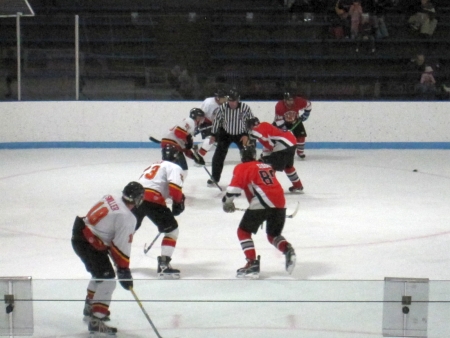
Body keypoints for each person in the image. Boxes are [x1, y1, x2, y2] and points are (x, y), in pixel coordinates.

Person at [71, 181, 144, 335]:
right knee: (108, 279)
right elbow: (121, 246)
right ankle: (97, 319)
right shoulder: (127, 218)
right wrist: (124, 269)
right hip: (89, 242)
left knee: (99, 274)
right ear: (137, 199)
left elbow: (107, 230)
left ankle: (90, 305)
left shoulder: (111, 197)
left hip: (79, 233)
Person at [221, 145, 296, 279]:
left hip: (262, 201)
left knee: (243, 232)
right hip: (280, 202)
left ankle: (252, 263)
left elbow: (233, 190)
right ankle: (287, 249)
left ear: (242, 156)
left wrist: (227, 202)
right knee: (273, 235)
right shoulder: (265, 165)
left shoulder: (242, 167)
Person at [133, 144, 185, 279]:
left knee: (127, 231)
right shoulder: (175, 167)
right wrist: (178, 202)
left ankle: (116, 262)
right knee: (172, 230)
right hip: (152, 199)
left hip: (134, 199)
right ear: (176, 156)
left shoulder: (153, 165)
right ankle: (164, 266)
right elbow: (174, 189)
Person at [207, 88, 254, 187]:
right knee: (218, 156)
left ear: (238, 100)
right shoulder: (223, 107)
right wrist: (214, 134)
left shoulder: (245, 108)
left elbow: (251, 123)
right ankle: (215, 177)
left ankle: (252, 178)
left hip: (241, 134)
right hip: (226, 134)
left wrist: (246, 134)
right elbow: (217, 121)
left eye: (234, 101)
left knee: (248, 155)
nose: (232, 103)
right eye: (230, 101)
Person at [246, 117, 304, 193]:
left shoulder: (259, 127)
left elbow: (258, 134)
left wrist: (248, 136)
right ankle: (297, 185)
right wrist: (263, 158)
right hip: (290, 143)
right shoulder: (265, 128)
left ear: (251, 125)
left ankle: (268, 187)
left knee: (270, 167)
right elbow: (268, 147)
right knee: (288, 167)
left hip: (283, 146)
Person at [160, 108, 206, 179]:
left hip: (174, 146)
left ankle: (173, 186)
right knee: (179, 170)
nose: (201, 121)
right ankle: (171, 187)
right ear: (195, 117)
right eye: (200, 118)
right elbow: (178, 132)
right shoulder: (190, 121)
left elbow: (186, 148)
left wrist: (194, 157)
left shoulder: (190, 127)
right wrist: (187, 140)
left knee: (181, 170)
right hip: (171, 146)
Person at [274, 91, 312, 159]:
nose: (291, 102)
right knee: (274, 135)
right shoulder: (279, 106)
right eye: (289, 100)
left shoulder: (299, 101)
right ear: (285, 100)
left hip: (295, 121)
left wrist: (306, 114)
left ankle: (300, 152)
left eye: (292, 100)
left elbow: (309, 105)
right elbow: (279, 121)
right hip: (282, 122)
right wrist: (284, 129)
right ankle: (274, 150)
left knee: (301, 135)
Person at [196, 88, 228, 159]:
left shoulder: (225, 104)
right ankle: (199, 157)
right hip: (205, 122)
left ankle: (198, 148)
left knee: (219, 141)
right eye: (224, 98)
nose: (225, 99)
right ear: (218, 98)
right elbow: (199, 114)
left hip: (215, 124)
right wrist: (197, 125)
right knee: (210, 139)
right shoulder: (209, 102)